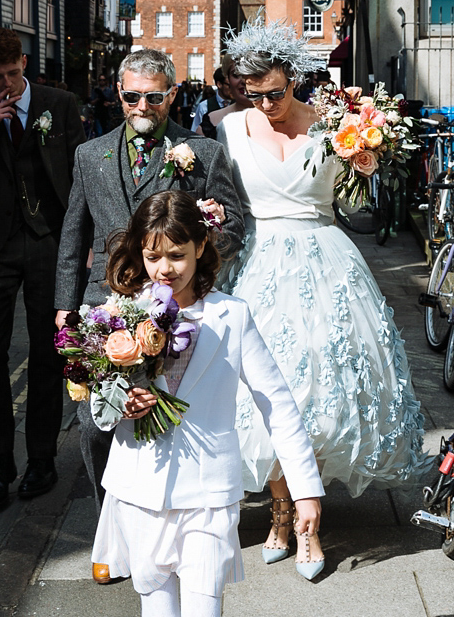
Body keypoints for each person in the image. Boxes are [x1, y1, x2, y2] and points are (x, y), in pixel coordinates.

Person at [218, 21, 428, 573]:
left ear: (295, 77)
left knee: (323, 386)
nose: (265, 104)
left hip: (327, 261)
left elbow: (363, 211)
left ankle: (311, 522)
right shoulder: (228, 128)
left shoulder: (337, 124)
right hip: (258, 264)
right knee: (267, 392)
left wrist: (367, 166)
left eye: (275, 92)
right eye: (253, 93)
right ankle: (281, 512)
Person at [54, 48, 245, 585]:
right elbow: (73, 237)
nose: (143, 104)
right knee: (95, 423)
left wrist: (199, 252)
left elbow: (236, 227)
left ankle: (172, 530)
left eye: (154, 95)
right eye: (133, 95)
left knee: (163, 419)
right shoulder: (90, 155)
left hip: (179, 311)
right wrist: (64, 311)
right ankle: (109, 535)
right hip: (106, 307)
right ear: (119, 95)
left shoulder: (202, 153)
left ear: (172, 95)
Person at [92, 192, 324, 615]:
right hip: (140, 491)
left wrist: (305, 490)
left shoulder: (232, 316)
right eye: (152, 256)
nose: (165, 269)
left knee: (205, 608)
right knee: (157, 609)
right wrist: (121, 404)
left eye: (177, 255)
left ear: (201, 247)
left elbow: (277, 404)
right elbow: (97, 401)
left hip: (208, 494)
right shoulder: (120, 315)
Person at [0, 28, 86, 513]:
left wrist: (84, 243)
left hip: (49, 243)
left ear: (24, 63)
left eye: (12, 73)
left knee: (49, 352)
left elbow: (79, 174)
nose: (6, 83)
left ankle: (43, 458)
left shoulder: (60, 103)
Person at [198, 59, 252, 140]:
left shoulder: (276, 119)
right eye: (236, 74)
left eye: (251, 73)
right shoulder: (209, 122)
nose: (244, 81)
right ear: (228, 79)